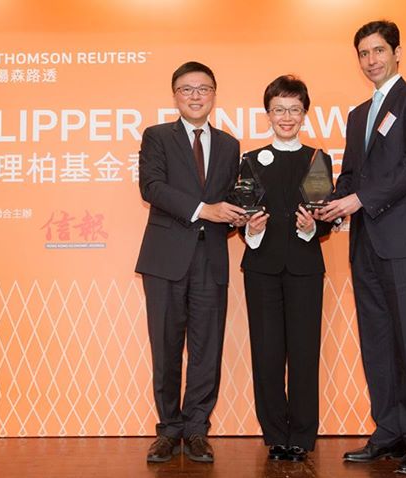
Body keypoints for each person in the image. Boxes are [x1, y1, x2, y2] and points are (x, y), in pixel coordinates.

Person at [319, 20, 406, 474]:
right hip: (366, 243)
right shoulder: (359, 114)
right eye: (363, 53)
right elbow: (352, 175)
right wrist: (329, 204)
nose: (371, 60)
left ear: (397, 53)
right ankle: (390, 431)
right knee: (377, 341)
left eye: (378, 50)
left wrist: (361, 199)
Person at [135, 61, 245, 463]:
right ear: (175, 96)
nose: (196, 96)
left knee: (206, 349)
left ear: (214, 94)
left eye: (204, 89)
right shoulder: (157, 137)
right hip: (165, 259)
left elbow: (232, 200)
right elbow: (152, 187)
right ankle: (168, 430)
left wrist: (243, 217)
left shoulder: (231, 145)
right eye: (187, 89)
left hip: (211, 259)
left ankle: (197, 429)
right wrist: (204, 209)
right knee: (165, 347)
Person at [239, 75, 334, 463]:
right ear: (267, 115)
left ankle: (302, 436)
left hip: (305, 267)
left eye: (295, 109)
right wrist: (251, 230)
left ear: (305, 114)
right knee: (266, 352)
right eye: (279, 109)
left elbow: (324, 212)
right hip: (261, 267)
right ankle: (275, 435)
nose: (287, 116)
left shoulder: (316, 158)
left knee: (304, 352)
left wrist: (315, 228)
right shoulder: (249, 159)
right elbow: (241, 213)